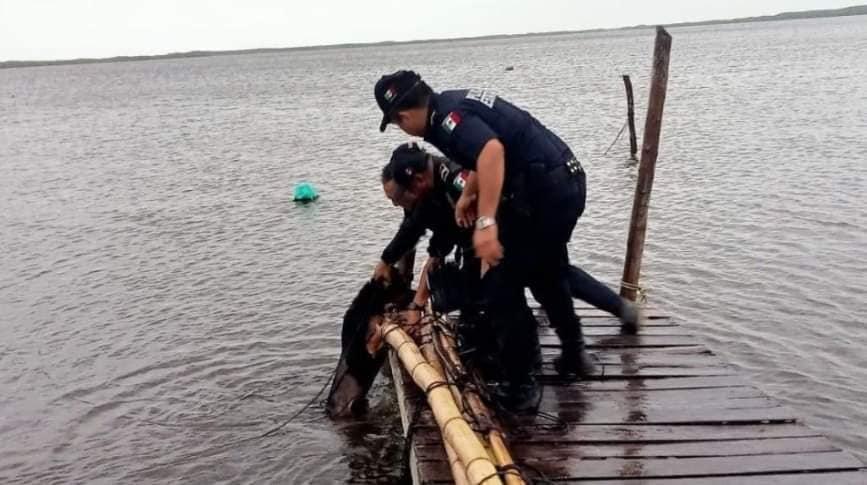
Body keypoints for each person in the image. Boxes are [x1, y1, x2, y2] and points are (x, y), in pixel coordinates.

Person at [374, 70, 620, 395]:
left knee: (503, 285)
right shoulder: (450, 104)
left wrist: (486, 223)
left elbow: (491, 151)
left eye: (398, 123)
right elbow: (483, 153)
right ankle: (574, 355)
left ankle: (522, 386)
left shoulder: (447, 119)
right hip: (560, 183)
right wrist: (468, 195)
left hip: (547, 191)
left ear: (402, 116)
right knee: (547, 274)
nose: (404, 129)